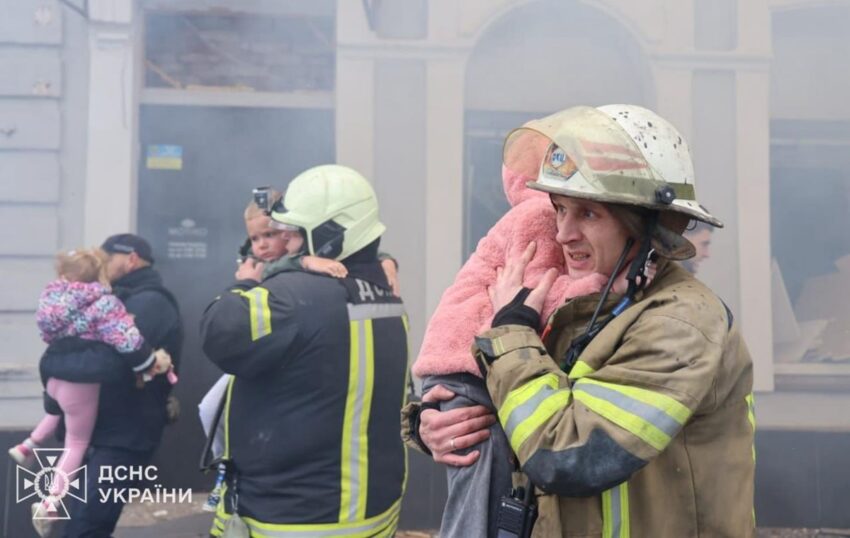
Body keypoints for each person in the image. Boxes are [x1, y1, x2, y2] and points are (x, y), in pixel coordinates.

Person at [404, 105, 755, 537]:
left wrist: (510, 332)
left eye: (588, 213)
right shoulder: (583, 307)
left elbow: (567, 456)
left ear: (646, 222)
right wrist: (440, 423)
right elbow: (524, 407)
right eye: (559, 209)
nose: (563, 233)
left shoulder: (680, 323)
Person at [200, 165, 409, 537]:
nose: (285, 243)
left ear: (327, 238)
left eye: (294, 234)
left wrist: (243, 285)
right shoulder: (388, 295)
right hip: (372, 511)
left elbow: (219, 330)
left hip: (291, 518)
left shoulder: (294, 298)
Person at [199, 189, 361, 513]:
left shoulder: (304, 258)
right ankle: (222, 469)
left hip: (292, 354)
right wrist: (301, 262)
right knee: (210, 407)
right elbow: (272, 270)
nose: (261, 245)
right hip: (260, 350)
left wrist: (389, 261)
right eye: (255, 238)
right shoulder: (259, 261)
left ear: (290, 232)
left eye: (269, 234)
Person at [39, 233, 184, 538]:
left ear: (131, 259)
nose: (100, 264)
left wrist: (54, 365)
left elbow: (107, 364)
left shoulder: (151, 303)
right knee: (72, 526)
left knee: (86, 528)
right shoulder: (106, 298)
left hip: (122, 440)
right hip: (94, 434)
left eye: (107, 258)